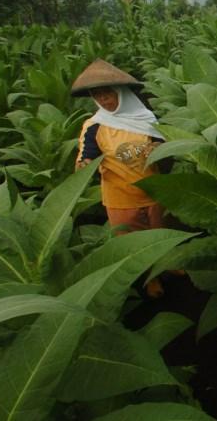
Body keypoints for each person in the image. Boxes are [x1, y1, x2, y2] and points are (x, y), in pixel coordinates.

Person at [72, 59, 167, 297]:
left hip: (153, 190)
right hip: (121, 196)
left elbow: (163, 142)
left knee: (160, 234)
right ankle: (150, 279)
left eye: (108, 94)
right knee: (133, 244)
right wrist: (84, 165)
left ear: (121, 93)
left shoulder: (145, 118)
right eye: (98, 96)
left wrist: (156, 149)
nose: (105, 100)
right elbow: (87, 155)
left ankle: (168, 265)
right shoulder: (94, 126)